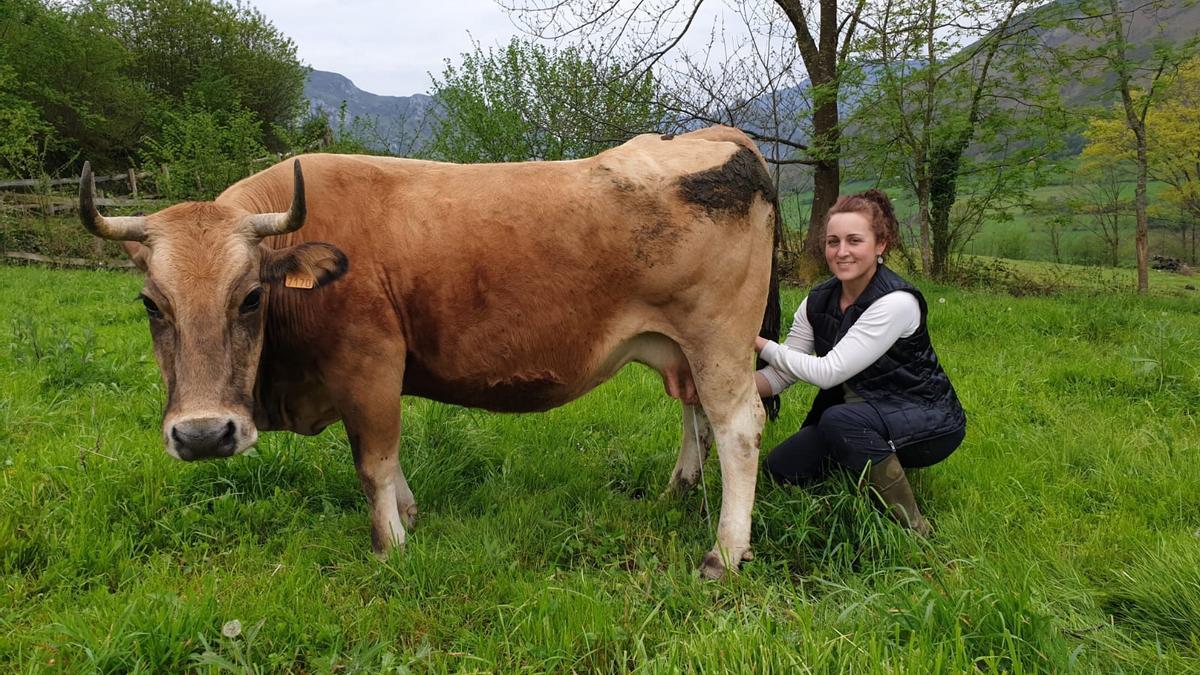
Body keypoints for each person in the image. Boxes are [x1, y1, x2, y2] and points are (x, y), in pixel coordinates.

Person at [752, 189, 966, 535]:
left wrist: (755, 341)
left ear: (880, 244)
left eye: (855, 240)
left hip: (927, 421)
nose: (841, 252)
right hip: (859, 417)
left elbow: (828, 372)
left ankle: (913, 528)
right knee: (782, 466)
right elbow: (781, 373)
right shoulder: (818, 300)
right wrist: (722, 388)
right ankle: (859, 470)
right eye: (833, 242)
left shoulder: (895, 303)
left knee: (840, 420)